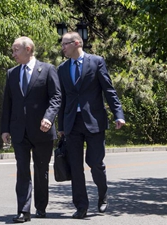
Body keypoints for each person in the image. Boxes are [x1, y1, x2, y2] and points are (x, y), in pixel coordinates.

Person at [57, 31, 125, 219]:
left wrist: (118, 114)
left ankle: (102, 192)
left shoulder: (96, 62)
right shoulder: (62, 69)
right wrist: (61, 125)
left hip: (94, 121)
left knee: (95, 162)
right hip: (72, 123)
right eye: (62, 44)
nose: (62, 47)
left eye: (65, 44)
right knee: (75, 166)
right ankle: (81, 206)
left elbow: (109, 90)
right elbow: (62, 99)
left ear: (77, 43)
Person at [1, 36, 61, 223]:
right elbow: (7, 103)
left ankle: (40, 207)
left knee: (41, 171)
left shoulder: (48, 69)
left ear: (28, 49)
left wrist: (49, 118)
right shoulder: (12, 73)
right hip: (19, 131)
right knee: (22, 171)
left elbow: (56, 97)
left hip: (42, 130)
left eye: (16, 50)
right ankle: (23, 210)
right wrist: (5, 129)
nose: (13, 54)